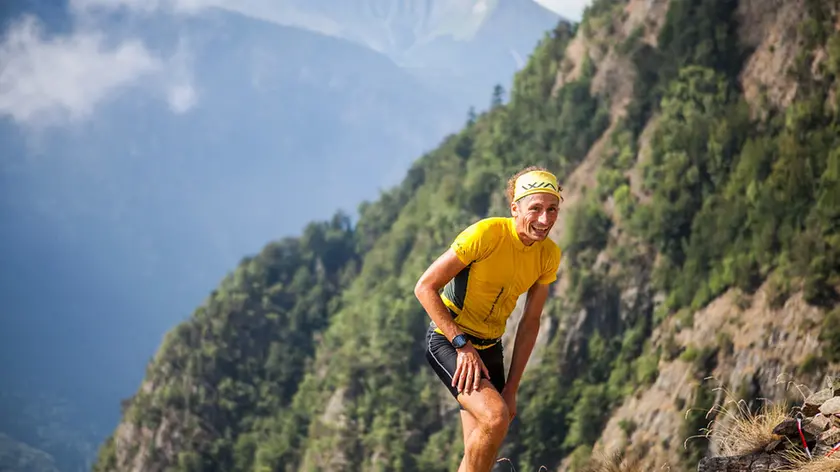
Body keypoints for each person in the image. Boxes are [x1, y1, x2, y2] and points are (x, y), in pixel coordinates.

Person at [414, 166, 563, 472]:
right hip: (449, 339)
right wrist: (461, 344)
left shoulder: (548, 255)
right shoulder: (487, 234)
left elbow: (530, 322)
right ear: (515, 208)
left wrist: (512, 388)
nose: (544, 220)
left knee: (480, 449)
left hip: (491, 348)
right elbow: (425, 287)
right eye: (535, 209)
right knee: (494, 418)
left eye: (552, 210)